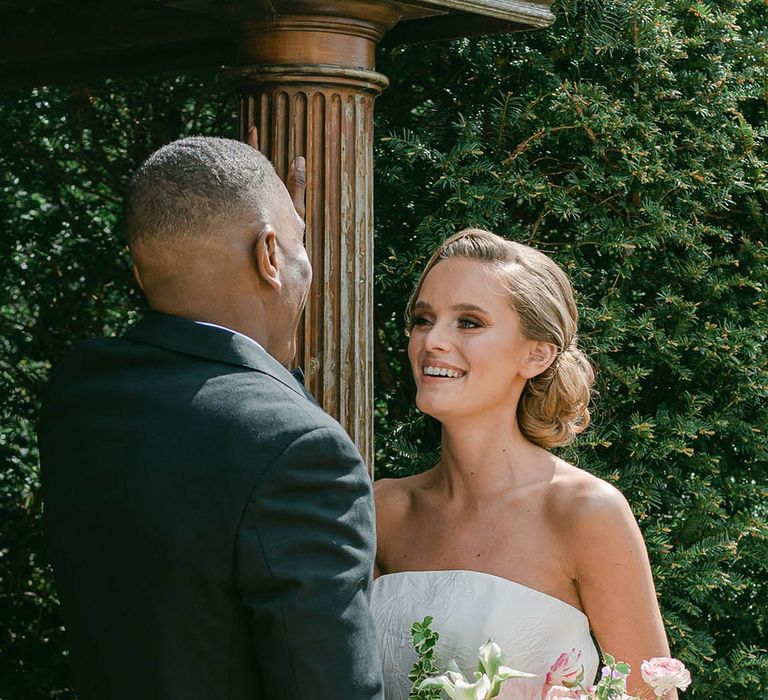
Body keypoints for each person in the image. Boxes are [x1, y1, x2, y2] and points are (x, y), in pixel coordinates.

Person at [39, 135, 384, 700]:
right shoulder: (298, 451)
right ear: (269, 257)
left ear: (138, 271)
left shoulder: (79, 396)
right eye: (300, 243)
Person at [372, 228, 675, 699]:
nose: (432, 340)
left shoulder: (585, 513)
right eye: (423, 319)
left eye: (468, 322)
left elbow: (650, 693)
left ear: (536, 354)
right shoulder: (383, 509)